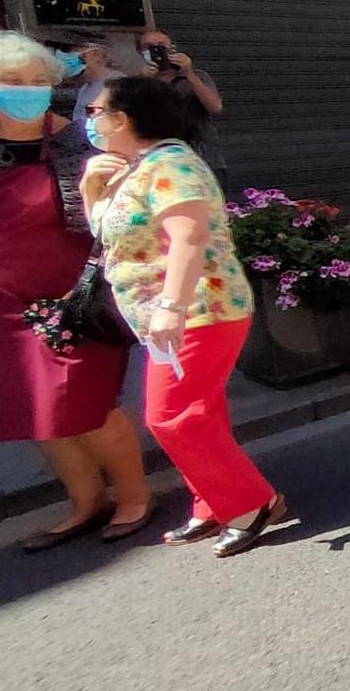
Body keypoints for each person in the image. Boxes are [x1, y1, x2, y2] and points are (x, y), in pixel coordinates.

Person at [0, 31, 148, 551]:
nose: (27, 90)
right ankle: (84, 502)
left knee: (87, 408)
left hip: (70, 304)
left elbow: (123, 215)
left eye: (36, 81)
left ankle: (135, 498)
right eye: (13, 82)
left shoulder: (82, 141)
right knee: (36, 413)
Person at [83, 74, 288, 558]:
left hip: (200, 310)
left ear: (124, 118)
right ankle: (213, 502)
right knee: (201, 413)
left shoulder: (171, 164)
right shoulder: (136, 167)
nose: (89, 120)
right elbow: (111, 235)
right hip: (169, 316)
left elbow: (190, 237)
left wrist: (171, 307)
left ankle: (253, 502)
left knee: (171, 416)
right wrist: (93, 188)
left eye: (96, 112)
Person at [136, 28, 226, 172]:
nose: (157, 51)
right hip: (162, 161)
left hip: (203, 157)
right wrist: (143, 82)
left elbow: (215, 107)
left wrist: (189, 73)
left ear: (172, 48)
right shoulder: (138, 83)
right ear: (140, 52)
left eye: (161, 45)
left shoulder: (198, 76)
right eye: (149, 47)